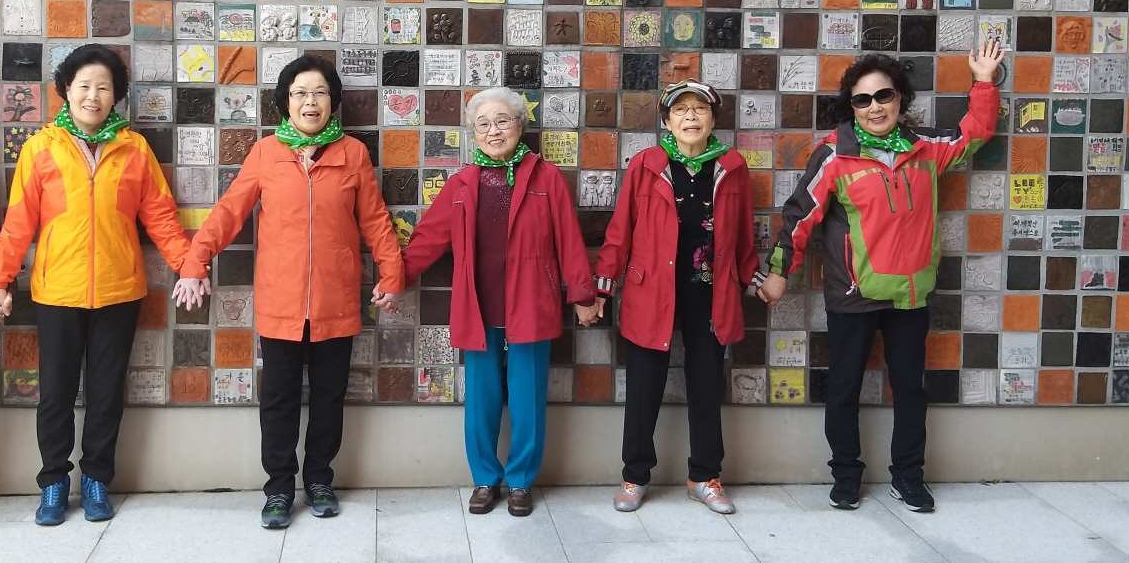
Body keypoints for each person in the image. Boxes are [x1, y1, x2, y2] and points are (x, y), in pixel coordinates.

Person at [758, 41, 1003, 514]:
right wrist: (779, 272)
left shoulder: (926, 149)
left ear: (900, 98)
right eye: (862, 99)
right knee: (844, 388)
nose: (875, 107)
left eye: (884, 95)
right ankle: (846, 476)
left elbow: (974, 133)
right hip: (854, 292)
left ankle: (908, 477)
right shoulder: (834, 155)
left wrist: (984, 81)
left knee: (910, 389)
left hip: (910, 293)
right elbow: (800, 215)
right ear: (851, 107)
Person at [174, 55, 404, 529]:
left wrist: (392, 274)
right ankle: (278, 487)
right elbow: (228, 212)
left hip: (336, 300)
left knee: (329, 396)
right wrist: (195, 262)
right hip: (279, 302)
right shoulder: (266, 153)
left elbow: (376, 221)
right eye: (300, 93)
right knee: (277, 399)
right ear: (285, 102)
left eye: (320, 92)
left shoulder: (353, 154)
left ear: (333, 101)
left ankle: (319, 480)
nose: (310, 101)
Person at [0, 44, 192, 526]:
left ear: (115, 95)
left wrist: (189, 265)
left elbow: (161, 217)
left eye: (104, 87)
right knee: (55, 394)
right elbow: (18, 223)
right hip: (57, 292)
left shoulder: (134, 149)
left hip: (119, 291)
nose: (93, 96)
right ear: (66, 90)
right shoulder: (40, 148)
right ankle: (53, 482)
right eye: (84, 86)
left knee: (105, 394)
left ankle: (97, 478)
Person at [400, 87, 597, 518]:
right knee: (481, 402)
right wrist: (394, 280)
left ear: (520, 126)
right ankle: (485, 479)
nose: (494, 131)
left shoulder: (546, 178)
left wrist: (583, 294)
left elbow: (569, 240)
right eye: (484, 124)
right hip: (480, 309)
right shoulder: (462, 182)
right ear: (474, 132)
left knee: (528, 401)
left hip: (532, 305)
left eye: (502, 121)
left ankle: (521, 481)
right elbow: (427, 240)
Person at [591, 80, 760, 515]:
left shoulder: (732, 166)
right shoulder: (647, 165)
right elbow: (620, 231)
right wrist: (602, 288)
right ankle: (634, 475)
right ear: (667, 120)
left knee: (706, 387)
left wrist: (757, 279)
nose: (690, 116)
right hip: (652, 291)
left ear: (713, 119)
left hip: (711, 292)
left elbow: (743, 235)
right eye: (681, 109)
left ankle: (704, 476)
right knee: (643, 389)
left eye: (699, 109)